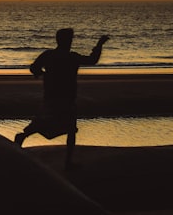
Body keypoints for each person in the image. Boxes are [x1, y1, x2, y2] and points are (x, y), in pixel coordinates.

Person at [14, 29, 110, 170]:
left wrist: (43, 74)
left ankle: (23, 137)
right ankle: (67, 162)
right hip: (64, 98)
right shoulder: (71, 57)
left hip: (55, 97)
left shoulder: (50, 55)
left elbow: (34, 68)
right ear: (65, 41)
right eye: (70, 39)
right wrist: (99, 44)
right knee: (65, 127)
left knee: (48, 123)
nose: (71, 42)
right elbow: (92, 60)